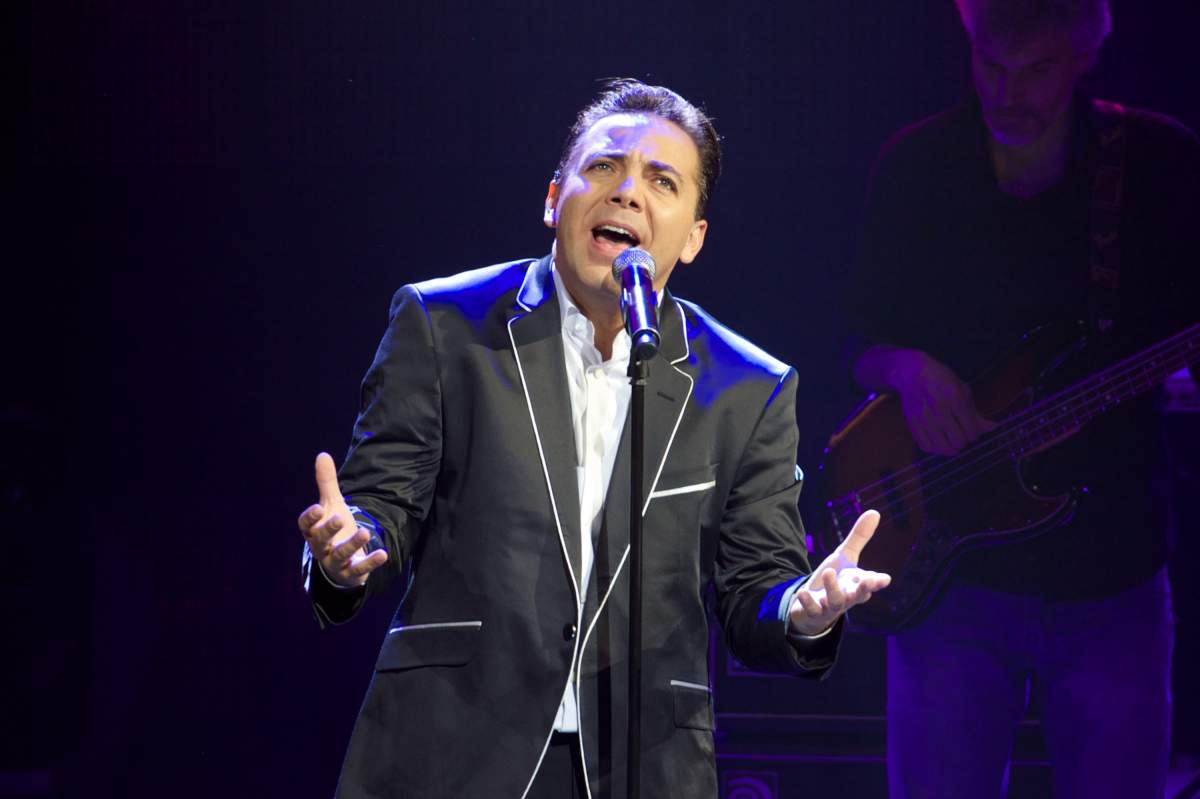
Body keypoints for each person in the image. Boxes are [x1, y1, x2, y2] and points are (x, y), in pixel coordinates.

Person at [298, 80, 890, 799]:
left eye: (662, 181)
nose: (627, 193)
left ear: (694, 237)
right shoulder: (445, 325)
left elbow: (755, 590)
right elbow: (380, 508)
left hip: (643, 762)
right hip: (451, 748)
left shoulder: (748, 388)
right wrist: (347, 550)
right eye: (604, 166)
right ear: (555, 198)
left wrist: (802, 610)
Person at [844, 1, 1200, 796]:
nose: (1009, 95)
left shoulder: (1158, 164)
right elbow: (855, 334)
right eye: (991, 68)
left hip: (1113, 573)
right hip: (950, 572)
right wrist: (907, 368)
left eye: (1036, 71)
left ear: (1083, 57)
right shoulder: (920, 164)